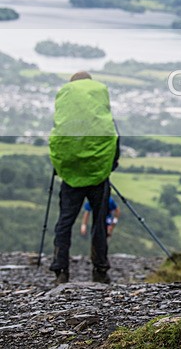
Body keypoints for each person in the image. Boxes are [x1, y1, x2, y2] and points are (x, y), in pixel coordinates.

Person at [48, 71, 120, 284]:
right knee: (99, 222)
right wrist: (108, 167)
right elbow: (114, 140)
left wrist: (61, 167)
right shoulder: (100, 116)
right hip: (98, 176)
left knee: (65, 222)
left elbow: (58, 143)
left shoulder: (67, 118)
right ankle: (100, 270)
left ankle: (61, 270)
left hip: (70, 177)